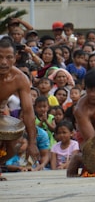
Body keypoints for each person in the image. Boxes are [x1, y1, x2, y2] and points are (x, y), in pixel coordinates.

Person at [0, 38, 40, 180]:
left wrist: (32, 142)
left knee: (13, 145)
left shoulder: (20, 78)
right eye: (0, 57)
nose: (4, 62)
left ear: (15, 57)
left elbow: (28, 111)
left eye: (8, 57)